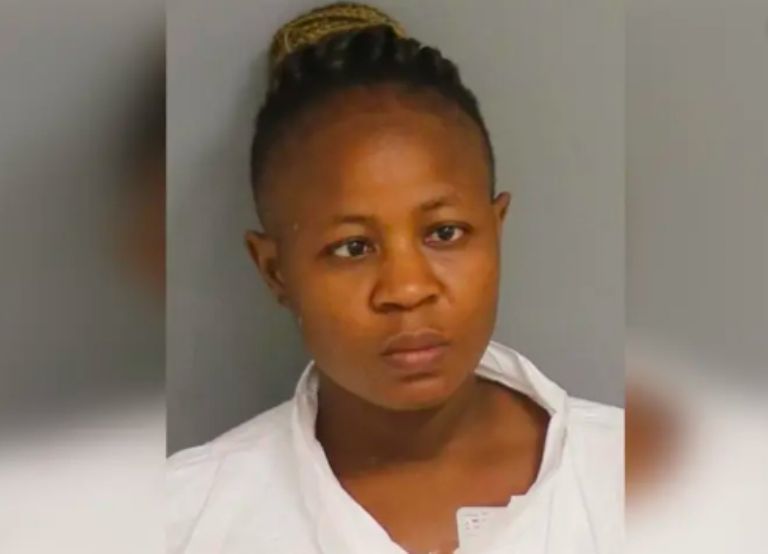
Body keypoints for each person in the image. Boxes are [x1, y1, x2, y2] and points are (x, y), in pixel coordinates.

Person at [167, 3, 622, 553]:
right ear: (275, 270)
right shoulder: (186, 519)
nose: (407, 289)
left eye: (445, 233)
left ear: (495, 230)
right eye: (352, 247)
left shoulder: (641, 484)